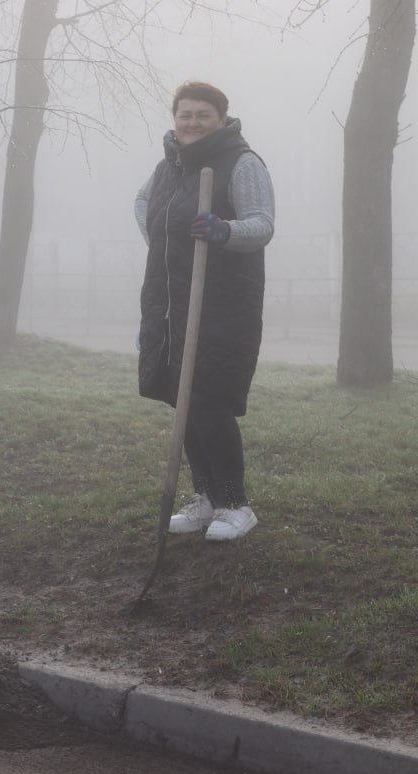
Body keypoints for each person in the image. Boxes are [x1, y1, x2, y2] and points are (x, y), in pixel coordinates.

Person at [134, 81, 274, 543]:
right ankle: (207, 498)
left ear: (221, 118)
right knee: (182, 400)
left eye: (202, 115)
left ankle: (236, 504)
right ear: (176, 118)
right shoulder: (168, 166)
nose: (192, 123)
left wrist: (223, 230)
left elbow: (262, 225)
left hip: (224, 305)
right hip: (174, 302)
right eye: (185, 114)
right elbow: (143, 203)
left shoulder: (241, 162)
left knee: (209, 400)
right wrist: (164, 238)